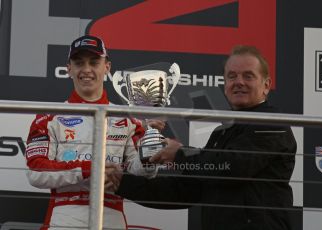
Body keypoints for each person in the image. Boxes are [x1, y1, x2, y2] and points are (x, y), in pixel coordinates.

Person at [110, 45, 297, 230]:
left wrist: (180, 155)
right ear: (225, 85)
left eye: (248, 76)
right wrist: (123, 183)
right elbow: (186, 190)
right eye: (232, 76)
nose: (238, 81)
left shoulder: (273, 124)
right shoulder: (222, 132)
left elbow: (233, 167)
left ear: (266, 85)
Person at [24, 35, 160, 230]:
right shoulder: (48, 117)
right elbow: (36, 172)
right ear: (69, 69)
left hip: (111, 215)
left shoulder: (129, 120)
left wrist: (150, 151)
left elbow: (139, 171)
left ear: (107, 67)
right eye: (79, 63)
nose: (86, 69)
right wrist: (91, 169)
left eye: (94, 62)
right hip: (65, 215)